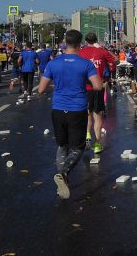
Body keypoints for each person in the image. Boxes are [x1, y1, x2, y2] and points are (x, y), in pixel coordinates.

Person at [38, 29, 102, 199]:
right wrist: (84, 79)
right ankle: (64, 173)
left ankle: (62, 180)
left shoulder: (54, 64)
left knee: (62, 145)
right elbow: (98, 86)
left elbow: (41, 89)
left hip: (58, 109)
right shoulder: (85, 63)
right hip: (77, 109)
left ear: (65, 42)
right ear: (80, 44)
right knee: (78, 147)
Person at [79, 32, 118, 153]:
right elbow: (116, 61)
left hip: (84, 87)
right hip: (98, 87)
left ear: (86, 41)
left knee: (87, 113)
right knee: (98, 115)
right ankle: (97, 144)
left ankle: (86, 135)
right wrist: (103, 49)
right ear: (96, 40)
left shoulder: (81, 52)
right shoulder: (102, 51)